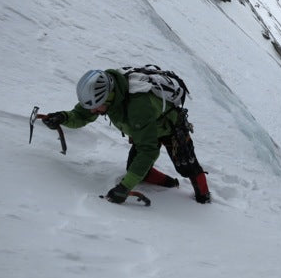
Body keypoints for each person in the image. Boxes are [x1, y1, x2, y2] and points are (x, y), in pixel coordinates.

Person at [42, 69, 211, 204]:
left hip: (170, 128)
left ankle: (204, 199)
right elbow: (82, 114)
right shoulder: (103, 94)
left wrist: (124, 187)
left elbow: (148, 150)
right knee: (137, 170)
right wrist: (63, 117)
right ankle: (171, 184)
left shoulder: (138, 107)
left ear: (108, 98)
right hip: (143, 130)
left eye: (96, 107)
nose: (93, 111)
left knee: (187, 166)